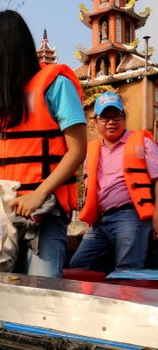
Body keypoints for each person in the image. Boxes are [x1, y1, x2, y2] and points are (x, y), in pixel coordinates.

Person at [0, 10, 87, 278]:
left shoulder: (55, 85)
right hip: (1, 215)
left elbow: (78, 150)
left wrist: (39, 194)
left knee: (41, 296)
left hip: (45, 215)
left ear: (5, 48)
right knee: (0, 296)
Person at [70, 92, 158, 271]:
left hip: (131, 216)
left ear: (123, 118)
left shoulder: (142, 142)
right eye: (105, 117)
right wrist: (90, 223)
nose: (111, 121)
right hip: (100, 222)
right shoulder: (91, 150)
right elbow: (91, 189)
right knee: (78, 266)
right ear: (95, 122)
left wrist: (157, 218)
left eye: (116, 116)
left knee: (128, 271)